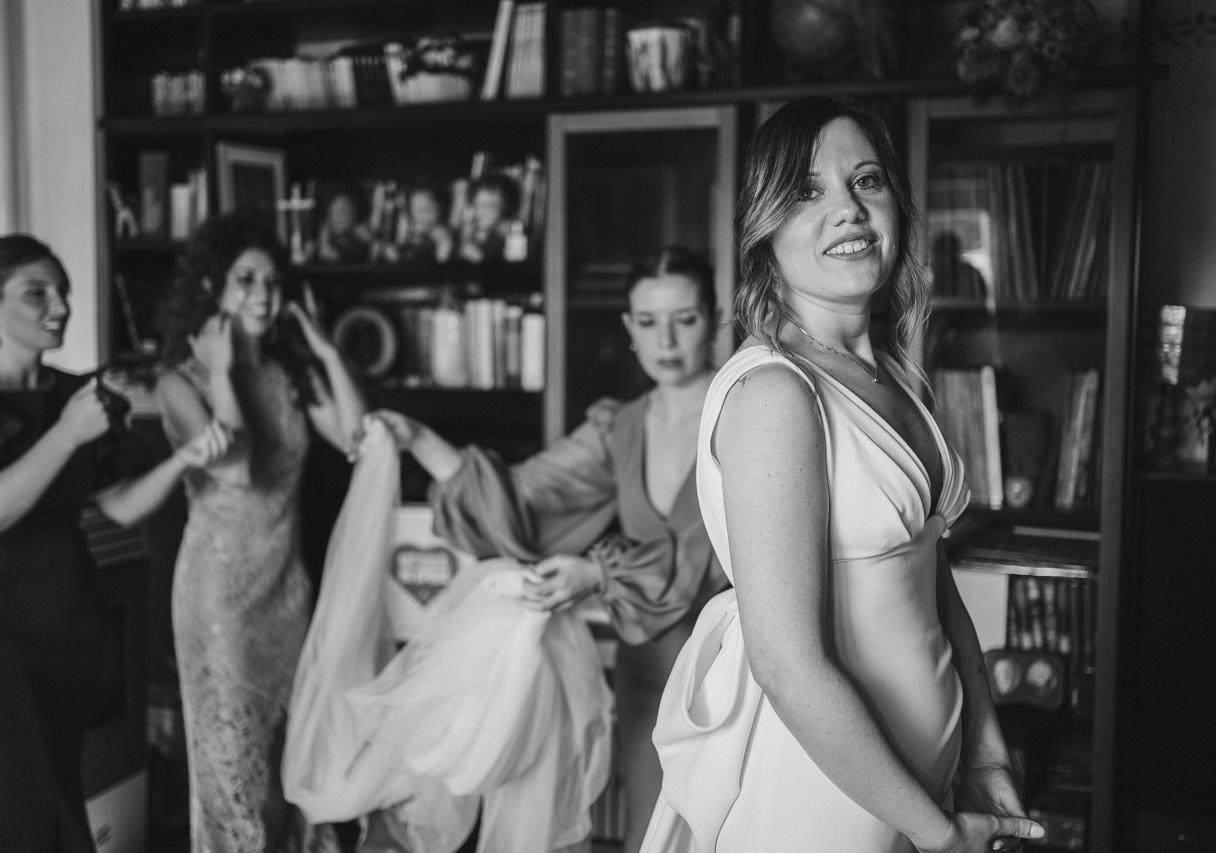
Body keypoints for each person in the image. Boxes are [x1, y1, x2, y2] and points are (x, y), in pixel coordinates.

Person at [640, 97, 1047, 853]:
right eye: (807, 191)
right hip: (825, 795)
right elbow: (787, 665)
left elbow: (934, 586)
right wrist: (935, 831)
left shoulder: (895, 378)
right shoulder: (774, 393)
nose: (849, 210)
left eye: (866, 180)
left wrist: (984, 751)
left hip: (921, 784)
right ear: (764, 229)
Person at [374, 246, 729, 852]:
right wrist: (418, 438)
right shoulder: (617, 427)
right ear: (628, 327)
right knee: (651, 835)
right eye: (648, 322)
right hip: (649, 673)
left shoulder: (745, 407)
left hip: (737, 666)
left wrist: (597, 572)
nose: (666, 340)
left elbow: (711, 554)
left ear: (716, 318)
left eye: (685, 319)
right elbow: (524, 500)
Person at [0, 234, 231, 853]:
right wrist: (67, 434)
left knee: (50, 793)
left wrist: (183, 460)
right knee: (26, 799)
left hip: (69, 617)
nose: (61, 306)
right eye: (37, 293)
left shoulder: (81, 396)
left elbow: (121, 505)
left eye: (63, 291)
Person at [154, 214, 365, 852]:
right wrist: (222, 372)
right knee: (233, 776)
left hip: (288, 590)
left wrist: (325, 350)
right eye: (245, 279)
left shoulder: (286, 372)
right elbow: (239, 470)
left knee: (292, 766)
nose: (263, 293)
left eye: (273, 281)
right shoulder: (180, 383)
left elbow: (357, 437)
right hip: (220, 601)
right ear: (211, 287)